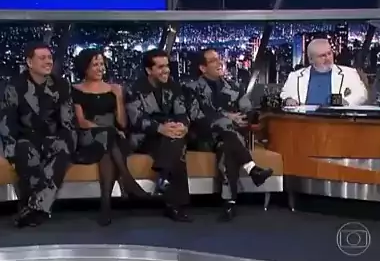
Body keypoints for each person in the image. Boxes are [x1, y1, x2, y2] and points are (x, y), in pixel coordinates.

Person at [187, 49, 273, 221]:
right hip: (204, 137)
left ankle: (229, 203)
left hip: (230, 137)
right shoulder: (191, 88)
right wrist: (227, 118)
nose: (220, 63)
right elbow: (196, 116)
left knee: (227, 145)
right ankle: (251, 169)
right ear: (202, 68)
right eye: (213, 61)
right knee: (227, 130)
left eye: (219, 59)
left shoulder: (234, 87)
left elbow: (247, 109)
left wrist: (246, 118)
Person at [0, 42, 76, 227]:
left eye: (50, 58)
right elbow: (7, 121)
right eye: (42, 58)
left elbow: (68, 122)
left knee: (61, 151)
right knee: (26, 153)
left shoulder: (61, 85)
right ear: (29, 62)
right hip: (25, 137)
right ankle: (36, 208)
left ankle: (32, 208)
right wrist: (10, 150)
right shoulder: (15, 86)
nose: (48, 61)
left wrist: (67, 142)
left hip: (53, 137)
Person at [72, 48, 150, 226]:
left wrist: (118, 98)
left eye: (102, 64)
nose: (100, 68)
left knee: (108, 149)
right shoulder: (75, 90)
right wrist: (108, 129)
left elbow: (122, 123)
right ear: (85, 68)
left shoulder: (114, 89)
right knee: (110, 137)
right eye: (95, 64)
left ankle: (106, 206)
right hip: (88, 137)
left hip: (113, 138)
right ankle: (128, 182)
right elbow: (82, 122)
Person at [126, 49, 202, 222]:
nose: (166, 70)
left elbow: (182, 112)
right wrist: (160, 128)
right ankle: (175, 205)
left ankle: (165, 178)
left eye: (167, 66)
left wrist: (183, 126)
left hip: (171, 132)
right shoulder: (135, 89)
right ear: (149, 70)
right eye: (160, 67)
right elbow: (136, 120)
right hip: (146, 136)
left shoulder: (173, 86)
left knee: (175, 141)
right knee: (175, 144)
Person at [281, 39, 368, 107]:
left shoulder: (349, 73)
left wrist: (344, 102)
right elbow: (285, 95)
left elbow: (361, 94)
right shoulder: (295, 76)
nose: (328, 58)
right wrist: (288, 100)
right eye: (322, 56)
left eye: (329, 53)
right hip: (304, 120)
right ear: (311, 59)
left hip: (337, 120)